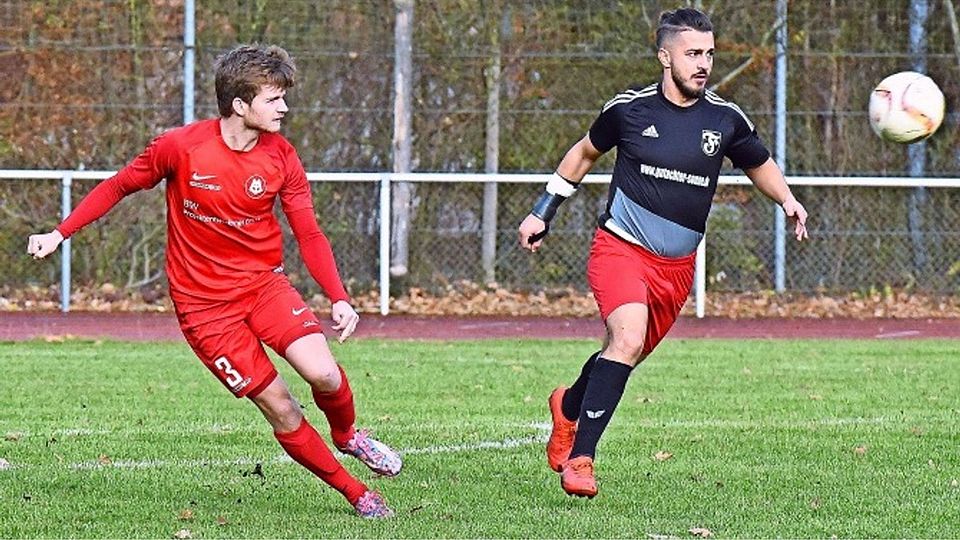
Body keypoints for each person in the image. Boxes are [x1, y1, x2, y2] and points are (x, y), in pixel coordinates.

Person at [27, 45, 401, 518]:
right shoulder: (180, 147)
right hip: (205, 310)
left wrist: (339, 298)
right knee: (283, 408)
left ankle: (348, 436)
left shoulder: (282, 156)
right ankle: (356, 494)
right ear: (240, 105)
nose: (284, 107)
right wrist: (60, 233)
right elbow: (119, 185)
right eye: (273, 98)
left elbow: (308, 232)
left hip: (265, 286)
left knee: (323, 372)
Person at [518, 8, 809, 499]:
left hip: (677, 270)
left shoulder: (725, 119)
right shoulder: (628, 110)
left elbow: (759, 163)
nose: (703, 64)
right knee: (626, 339)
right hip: (621, 248)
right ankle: (582, 460)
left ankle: (568, 406)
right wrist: (542, 210)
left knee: (622, 354)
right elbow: (583, 153)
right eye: (693, 53)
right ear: (664, 56)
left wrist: (787, 200)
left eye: (709, 54)